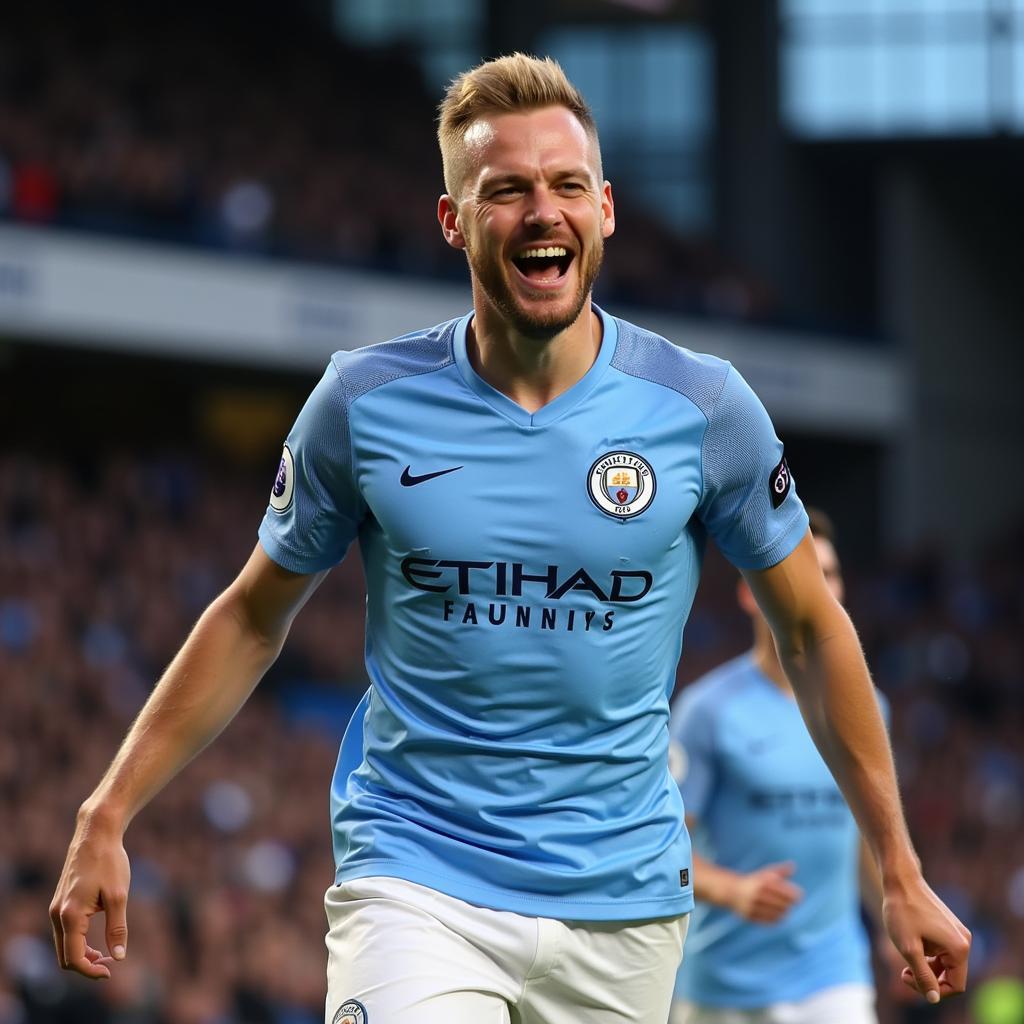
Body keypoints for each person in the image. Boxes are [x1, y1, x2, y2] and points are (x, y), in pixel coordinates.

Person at [50, 54, 970, 1024]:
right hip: (417, 877)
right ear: (453, 221)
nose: (543, 211)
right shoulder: (364, 403)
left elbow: (815, 633)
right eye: (507, 190)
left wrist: (899, 869)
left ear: (606, 209)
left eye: (568, 185)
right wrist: (105, 809)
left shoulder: (702, 408)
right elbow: (250, 616)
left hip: (621, 910)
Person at [668, 509, 902, 1024]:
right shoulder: (708, 710)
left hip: (834, 978)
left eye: (831, 574)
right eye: (805, 571)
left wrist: (893, 921)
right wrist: (735, 891)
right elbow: (667, 846)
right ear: (752, 592)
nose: (822, 588)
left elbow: (867, 833)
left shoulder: (869, 708)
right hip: (723, 986)